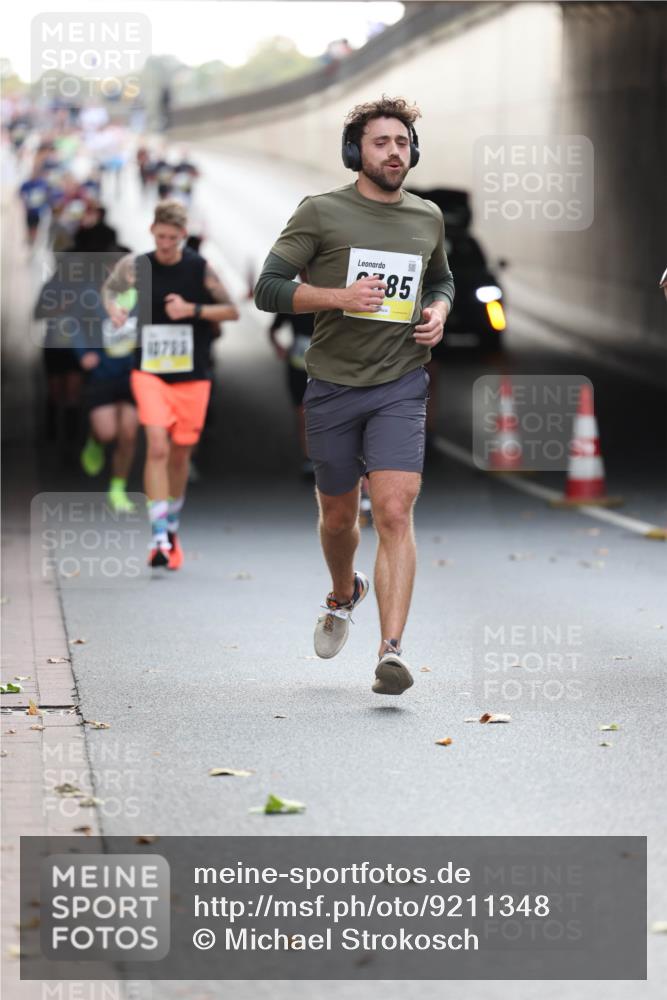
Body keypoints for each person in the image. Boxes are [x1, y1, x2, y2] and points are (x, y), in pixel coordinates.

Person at [254, 96, 454, 695]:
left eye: (402, 142)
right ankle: (345, 590)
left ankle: (391, 650)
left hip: (400, 383)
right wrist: (338, 297)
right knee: (339, 517)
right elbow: (268, 288)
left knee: (393, 511)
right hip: (334, 386)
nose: (395, 152)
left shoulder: (428, 218)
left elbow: (440, 277)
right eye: (381, 143)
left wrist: (439, 309)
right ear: (355, 153)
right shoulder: (320, 213)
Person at [102, 200, 239, 569]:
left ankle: (172, 524)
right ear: (152, 231)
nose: (165, 244)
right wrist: (114, 308)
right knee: (157, 446)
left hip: (192, 374)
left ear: (183, 236)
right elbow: (110, 290)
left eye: (173, 238)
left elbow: (232, 310)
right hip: (148, 370)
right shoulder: (137, 265)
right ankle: (158, 535)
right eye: (160, 236)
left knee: (180, 452)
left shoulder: (199, 269)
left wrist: (192, 310)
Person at [267, 271, 315, 477]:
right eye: (303, 271)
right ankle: (308, 459)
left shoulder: (335, 294)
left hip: (328, 365)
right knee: (302, 412)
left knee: (328, 411)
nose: (307, 275)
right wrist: (279, 348)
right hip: (298, 363)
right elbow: (273, 329)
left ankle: (328, 457)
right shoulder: (292, 297)